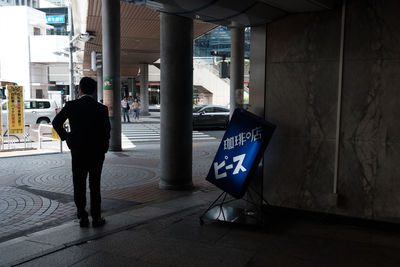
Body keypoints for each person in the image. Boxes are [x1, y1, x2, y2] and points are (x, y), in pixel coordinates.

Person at [52, 77, 111, 228]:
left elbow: (56, 122)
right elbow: (106, 132)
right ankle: (96, 218)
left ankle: (82, 217)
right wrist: (103, 149)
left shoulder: (71, 105)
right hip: (97, 153)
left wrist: (67, 138)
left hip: (78, 151)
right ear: (93, 90)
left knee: (79, 183)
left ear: (80, 89)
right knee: (95, 184)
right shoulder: (102, 109)